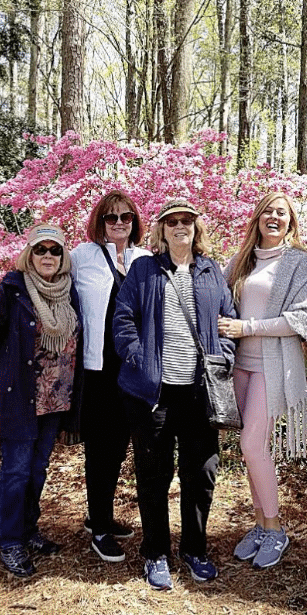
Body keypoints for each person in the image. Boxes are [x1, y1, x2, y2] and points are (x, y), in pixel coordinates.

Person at [113, 199, 236, 590]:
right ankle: (155, 552)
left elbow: (227, 321)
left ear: (196, 228)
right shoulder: (144, 269)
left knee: (201, 474)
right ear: (161, 230)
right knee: (154, 474)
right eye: (172, 221)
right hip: (155, 394)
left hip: (200, 392)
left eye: (186, 221)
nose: (180, 226)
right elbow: (123, 318)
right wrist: (139, 358)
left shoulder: (211, 270)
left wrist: (224, 358)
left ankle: (194, 549)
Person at [0, 224, 83, 578]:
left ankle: (29, 531)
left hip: (56, 396)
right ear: (28, 254)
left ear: (63, 257)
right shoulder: (14, 288)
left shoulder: (69, 292)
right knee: (16, 472)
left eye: (55, 250)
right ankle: (10, 542)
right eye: (40, 249)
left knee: (37, 469)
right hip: (18, 393)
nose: (47, 256)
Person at [219, 192, 307, 569]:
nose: (274, 218)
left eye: (282, 213)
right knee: (251, 450)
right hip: (238, 366)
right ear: (257, 218)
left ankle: (276, 529)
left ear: (291, 221)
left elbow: (304, 319)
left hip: (273, 367)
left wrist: (247, 327)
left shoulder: (298, 263)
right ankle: (261, 524)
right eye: (268, 212)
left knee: (252, 443)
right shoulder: (241, 259)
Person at [71, 191, 152, 563]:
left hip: (132, 369)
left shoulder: (145, 259)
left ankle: (97, 514)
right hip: (98, 369)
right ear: (99, 222)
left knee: (119, 446)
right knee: (100, 449)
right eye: (111, 217)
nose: (119, 223)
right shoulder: (81, 256)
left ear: (135, 222)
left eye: (126, 217)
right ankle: (100, 528)